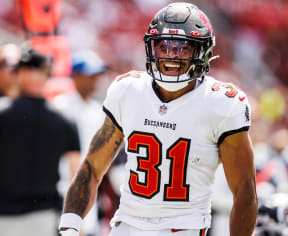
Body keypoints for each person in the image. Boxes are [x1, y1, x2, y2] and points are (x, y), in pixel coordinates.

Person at [58, 2, 257, 236]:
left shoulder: (222, 104)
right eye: (164, 46)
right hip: (126, 225)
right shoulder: (128, 90)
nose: (172, 56)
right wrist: (70, 226)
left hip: (182, 228)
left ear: (203, 51)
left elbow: (244, 191)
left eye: (183, 48)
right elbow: (92, 167)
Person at [0, 47, 81, 236]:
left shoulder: (3, 114)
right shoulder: (64, 120)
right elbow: (77, 176)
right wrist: (76, 222)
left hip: (4, 215)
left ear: (24, 73)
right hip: (43, 217)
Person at [54, 50, 107, 236]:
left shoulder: (99, 111)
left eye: (96, 76)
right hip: (59, 191)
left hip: (90, 188)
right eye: (89, 75)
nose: (94, 80)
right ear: (75, 76)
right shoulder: (58, 107)